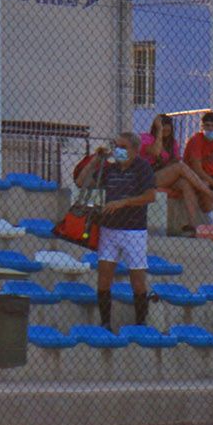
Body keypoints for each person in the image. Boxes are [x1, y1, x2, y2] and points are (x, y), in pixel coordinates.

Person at [73, 133, 158, 329]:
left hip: (133, 231)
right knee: (104, 277)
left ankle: (140, 322)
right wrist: (96, 159)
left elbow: (150, 196)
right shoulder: (110, 169)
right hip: (109, 229)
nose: (119, 150)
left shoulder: (142, 169)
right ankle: (105, 322)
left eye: (123, 147)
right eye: (116, 146)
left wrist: (124, 202)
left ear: (135, 151)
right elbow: (81, 181)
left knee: (137, 279)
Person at [140, 113, 213, 237]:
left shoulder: (172, 143)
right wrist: (159, 131)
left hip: (166, 176)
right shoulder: (146, 138)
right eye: (163, 126)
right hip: (148, 177)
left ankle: (191, 224)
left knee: (185, 183)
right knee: (180, 167)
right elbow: (155, 152)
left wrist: (171, 164)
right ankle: (208, 192)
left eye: (168, 127)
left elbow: (175, 160)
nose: (166, 129)